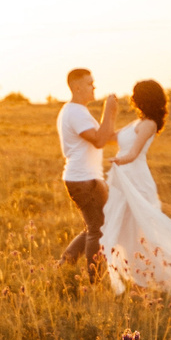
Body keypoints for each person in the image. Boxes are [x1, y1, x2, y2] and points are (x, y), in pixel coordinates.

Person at [98, 78, 171, 298]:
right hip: (123, 180)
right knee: (122, 229)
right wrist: (109, 112)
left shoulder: (149, 124)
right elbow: (109, 138)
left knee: (144, 230)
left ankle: (166, 277)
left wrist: (118, 161)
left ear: (143, 98)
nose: (131, 98)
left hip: (136, 180)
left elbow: (133, 153)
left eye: (135, 94)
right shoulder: (135, 123)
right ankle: (137, 276)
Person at [55, 69, 121, 278]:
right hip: (83, 180)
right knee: (97, 229)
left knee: (93, 226)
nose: (94, 87)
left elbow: (105, 135)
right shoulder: (75, 112)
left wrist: (136, 133)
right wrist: (109, 111)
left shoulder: (78, 111)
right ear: (77, 87)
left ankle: (65, 265)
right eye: (90, 84)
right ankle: (94, 278)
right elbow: (100, 140)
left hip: (87, 178)